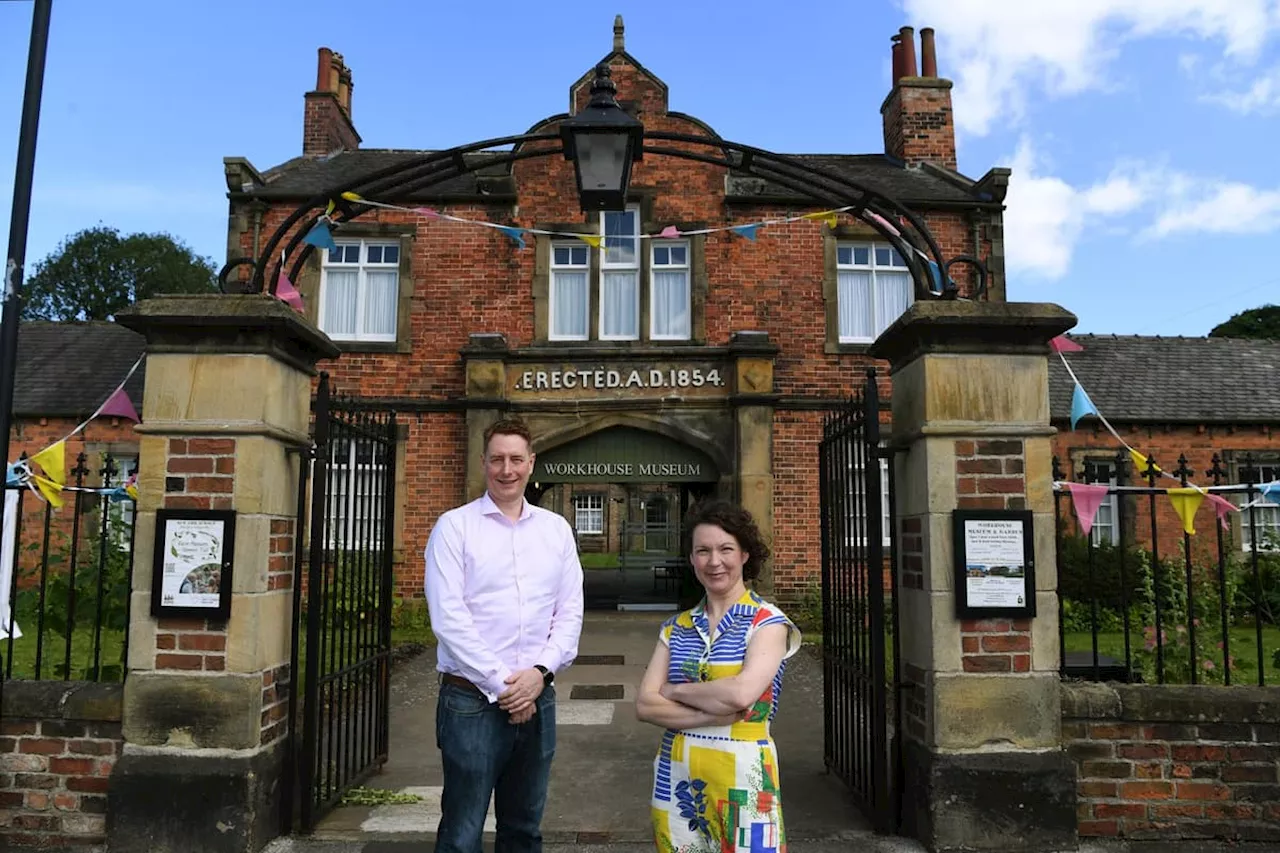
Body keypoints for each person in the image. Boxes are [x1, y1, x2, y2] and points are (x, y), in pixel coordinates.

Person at [424, 417, 584, 853]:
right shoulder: (454, 528)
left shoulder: (556, 531)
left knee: (524, 828)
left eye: (516, 459)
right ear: (483, 463)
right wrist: (504, 687)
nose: (506, 469)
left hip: (539, 697)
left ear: (531, 463)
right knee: (462, 832)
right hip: (470, 702)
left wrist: (539, 674)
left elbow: (568, 613)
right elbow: (449, 618)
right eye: (497, 459)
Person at [636, 499, 801, 853]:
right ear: (692, 559)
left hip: (746, 778)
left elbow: (742, 694)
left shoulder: (768, 622)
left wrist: (673, 689)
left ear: (744, 554)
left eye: (726, 549)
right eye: (703, 551)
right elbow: (646, 706)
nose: (714, 561)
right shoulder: (675, 628)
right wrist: (712, 714)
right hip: (677, 776)